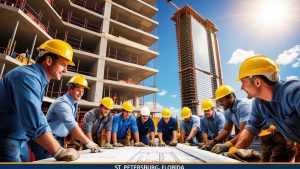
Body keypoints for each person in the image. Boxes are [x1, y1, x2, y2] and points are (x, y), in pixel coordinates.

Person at [0, 39, 79, 162]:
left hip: (19, 138)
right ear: (48, 60)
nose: (65, 70)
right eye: (63, 65)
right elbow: (34, 118)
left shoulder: (38, 80)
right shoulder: (27, 77)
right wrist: (58, 151)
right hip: (5, 138)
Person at [232, 55, 300, 162]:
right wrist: (234, 152)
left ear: (257, 82)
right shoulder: (258, 103)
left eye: (244, 83)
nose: (241, 88)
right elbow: (251, 128)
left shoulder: (294, 93)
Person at [29, 75, 101, 160]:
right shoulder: (62, 103)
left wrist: (73, 139)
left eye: (82, 91)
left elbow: (71, 124)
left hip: (59, 138)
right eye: (78, 90)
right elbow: (72, 125)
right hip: (48, 138)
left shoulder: (74, 103)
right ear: (70, 89)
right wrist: (88, 142)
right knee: (47, 163)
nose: (81, 93)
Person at [201, 85, 252, 154]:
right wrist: (213, 142)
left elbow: (244, 131)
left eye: (221, 101)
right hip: (244, 138)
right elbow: (226, 130)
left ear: (231, 96)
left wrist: (227, 145)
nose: (220, 104)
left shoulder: (243, 106)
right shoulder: (227, 110)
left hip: (258, 139)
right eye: (218, 101)